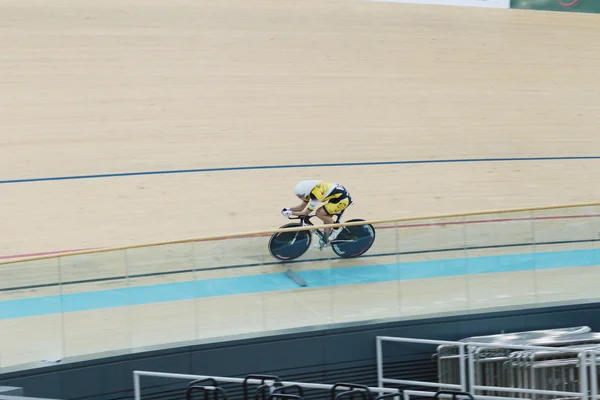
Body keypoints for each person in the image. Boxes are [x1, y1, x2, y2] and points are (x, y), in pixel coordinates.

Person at [281, 180, 353, 247]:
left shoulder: (317, 194)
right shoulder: (308, 192)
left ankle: (338, 228)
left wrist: (291, 213)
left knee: (320, 213)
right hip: (336, 198)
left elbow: (305, 213)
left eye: (300, 196)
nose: (299, 198)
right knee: (326, 218)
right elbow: (301, 207)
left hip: (343, 200)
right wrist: (289, 209)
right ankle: (326, 240)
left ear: (305, 192)